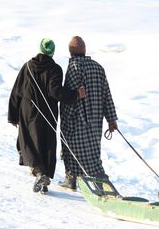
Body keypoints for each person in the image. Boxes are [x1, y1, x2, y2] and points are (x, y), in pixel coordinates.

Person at [8, 38, 85, 193]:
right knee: (47, 145)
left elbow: (16, 91)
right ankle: (45, 178)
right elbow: (56, 92)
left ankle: (39, 173)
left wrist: (13, 116)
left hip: (28, 112)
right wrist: (76, 94)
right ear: (52, 52)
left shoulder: (27, 66)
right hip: (47, 114)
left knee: (29, 143)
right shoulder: (55, 69)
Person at [59, 36, 118, 191]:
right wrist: (111, 119)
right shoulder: (98, 67)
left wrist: (66, 118)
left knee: (72, 149)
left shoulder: (74, 67)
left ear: (71, 52)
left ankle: (74, 179)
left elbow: (71, 97)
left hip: (77, 120)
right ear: (84, 50)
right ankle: (95, 181)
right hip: (96, 121)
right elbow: (107, 95)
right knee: (93, 152)